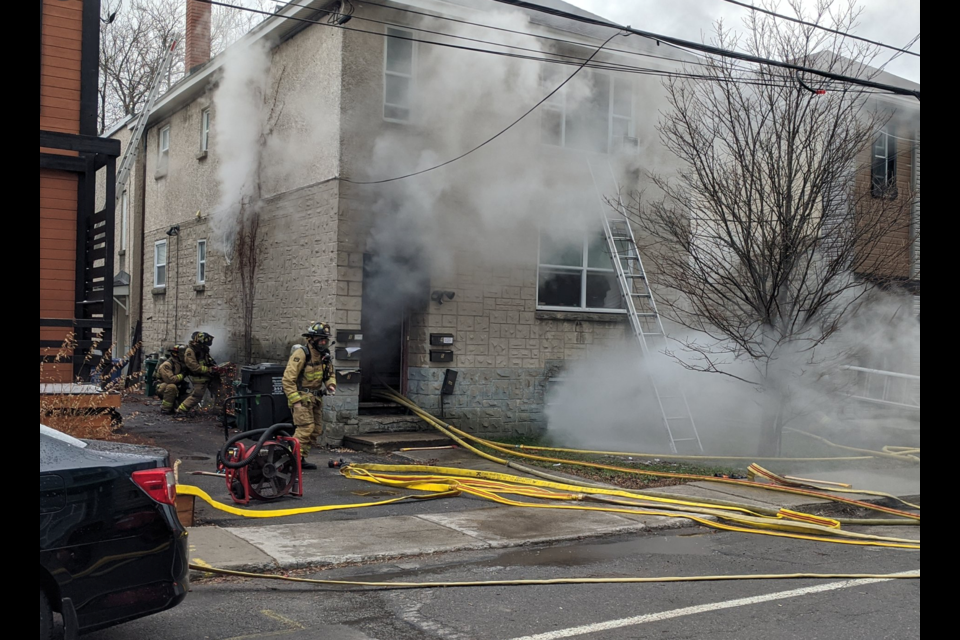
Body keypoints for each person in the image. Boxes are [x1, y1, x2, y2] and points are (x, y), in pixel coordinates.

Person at [281, 322, 337, 470]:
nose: (323, 342)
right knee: (305, 429)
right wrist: (295, 400)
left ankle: (300, 459)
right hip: (301, 398)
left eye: (325, 339)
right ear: (311, 339)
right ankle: (291, 461)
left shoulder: (324, 355)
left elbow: (330, 374)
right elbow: (288, 379)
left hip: (316, 399)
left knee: (316, 430)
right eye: (321, 339)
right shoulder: (301, 353)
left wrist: (330, 384)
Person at [177, 331, 220, 414]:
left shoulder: (203, 349)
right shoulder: (190, 351)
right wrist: (208, 370)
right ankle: (181, 411)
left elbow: (208, 362)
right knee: (196, 396)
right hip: (200, 378)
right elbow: (193, 366)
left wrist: (214, 368)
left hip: (210, 376)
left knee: (220, 392)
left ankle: (219, 411)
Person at [156, 344, 187, 414]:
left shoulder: (180, 363)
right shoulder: (167, 365)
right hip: (163, 386)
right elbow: (170, 380)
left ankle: (175, 405)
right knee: (171, 387)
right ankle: (165, 409)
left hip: (178, 385)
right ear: (177, 355)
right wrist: (183, 375)